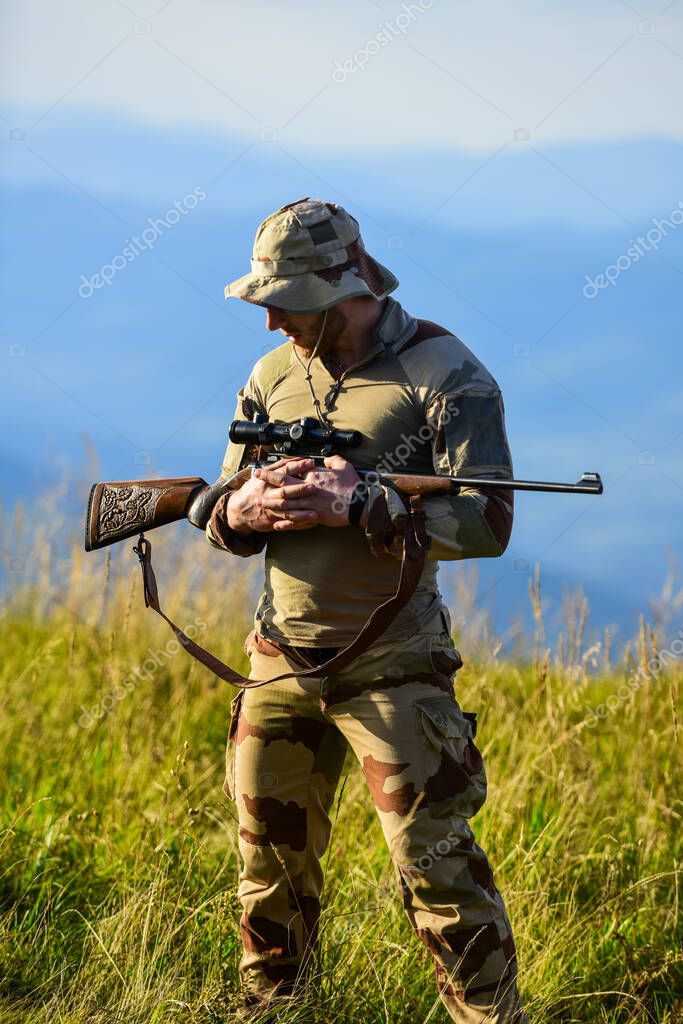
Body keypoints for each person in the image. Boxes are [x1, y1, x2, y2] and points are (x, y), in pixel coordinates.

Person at [206, 197, 527, 1023]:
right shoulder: (273, 373)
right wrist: (233, 514)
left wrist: (368, 508)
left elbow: (488, 522)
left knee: (438, 874)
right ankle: (270, 1015)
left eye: (287, 299)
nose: (271, 318)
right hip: (277, 665)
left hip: (396, 672)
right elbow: (225, 496)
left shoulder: (448, 373)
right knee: (266, 874)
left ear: (346, 284)